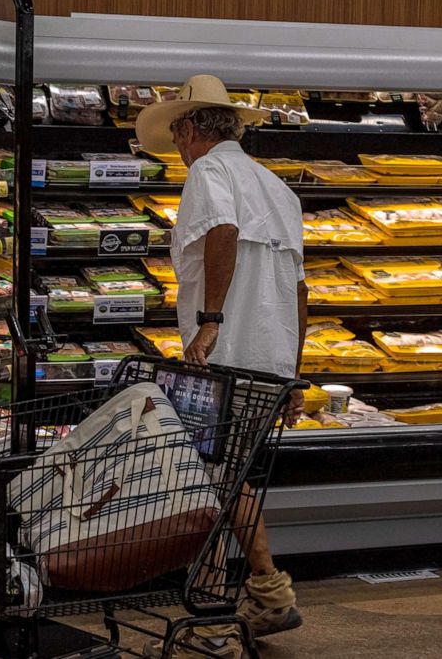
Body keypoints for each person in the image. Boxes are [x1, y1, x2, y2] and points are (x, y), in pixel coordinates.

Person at [135, 75, 308, 658]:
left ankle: (212, 622)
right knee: (232, 478)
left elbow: (223, 232)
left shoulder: (210, 173)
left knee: (202, 481)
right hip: (270, 358)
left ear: (188, 128)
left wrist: (210, 319)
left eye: (177, 135)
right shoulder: (279, 189)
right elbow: (301, 290)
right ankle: (269, 594)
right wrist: (293, 370)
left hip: (224, 358)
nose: (178, 148)